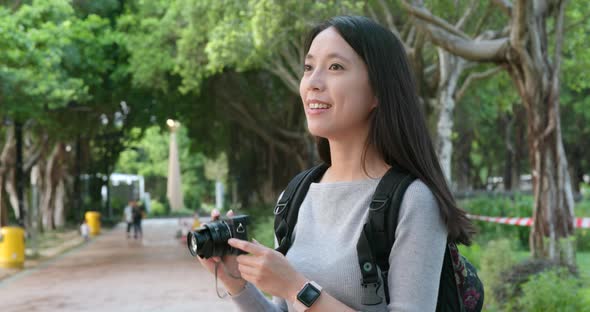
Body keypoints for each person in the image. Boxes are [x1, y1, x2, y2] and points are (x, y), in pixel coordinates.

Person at [197, 16, 475, 311]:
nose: (313, 83)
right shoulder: (296, 196)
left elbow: (298, 295)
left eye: (335, 67)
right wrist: (237, 283)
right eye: (308, 67)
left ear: (378, 91)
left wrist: (296, 287)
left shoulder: (412, 200)